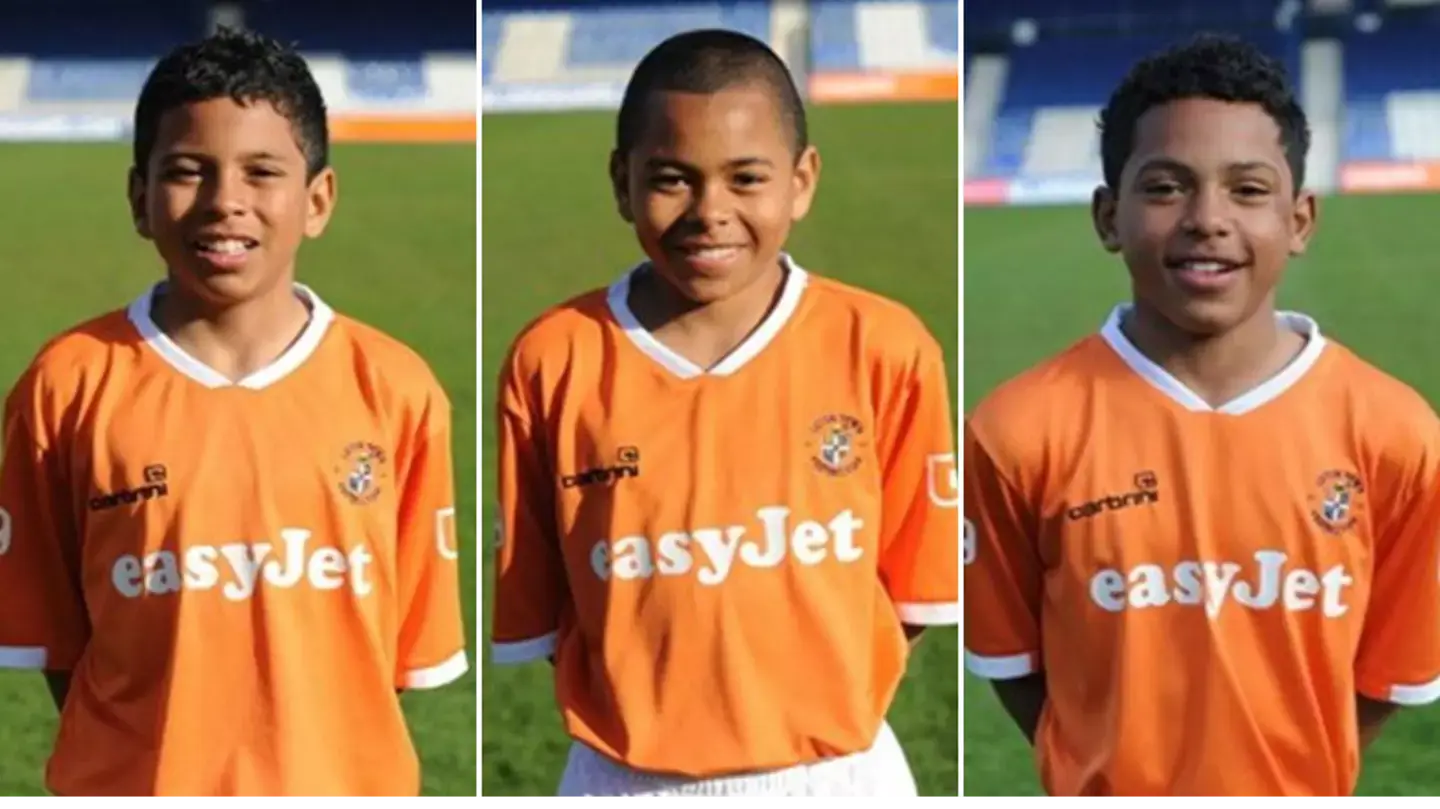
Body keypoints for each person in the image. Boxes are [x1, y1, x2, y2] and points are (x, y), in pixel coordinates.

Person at [963, 33, 1440, 800]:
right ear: (1109, 216)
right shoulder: (1015, 429)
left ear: (1302, 219)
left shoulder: (1395, 432)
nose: (1207, 219)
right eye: (1166, 188)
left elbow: (1385, 676)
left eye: (1248, 190)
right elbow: (1018, 670)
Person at [489, 28, 959, 799]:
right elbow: (551, 607)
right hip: (625, 776)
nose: (711, 211)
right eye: (672, 178)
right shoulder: (553, 358)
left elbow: (911, 593)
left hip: (835, 773)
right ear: (621, 181)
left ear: (802, 180)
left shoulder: (883, 346)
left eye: (747, 178)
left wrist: (790, 702)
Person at [0, 27, 468, 799]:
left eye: (261, 172)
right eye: (188, 171)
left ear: (317, 200)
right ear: (138, 199)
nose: (225, 202)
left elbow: (393, 657)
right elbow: (59, 641)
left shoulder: (394, 387)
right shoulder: (66, 386)